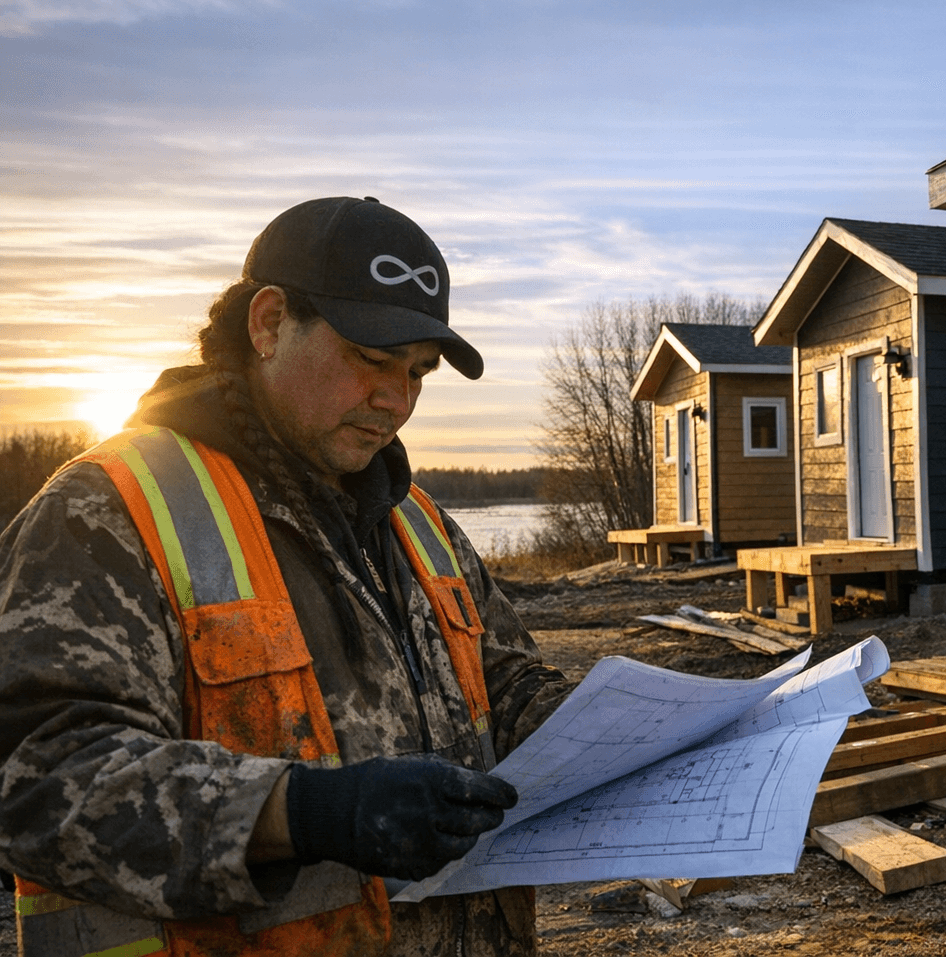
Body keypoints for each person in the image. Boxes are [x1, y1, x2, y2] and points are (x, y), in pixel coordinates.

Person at [0, 197, 571, 956]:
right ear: (268, 325)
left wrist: (652, 739)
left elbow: (504, 689)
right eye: (370, 360)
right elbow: (37, 778)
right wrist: (303, 814)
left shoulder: (419, 522)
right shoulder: (105, 512)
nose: (396, 401)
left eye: (416, 373)